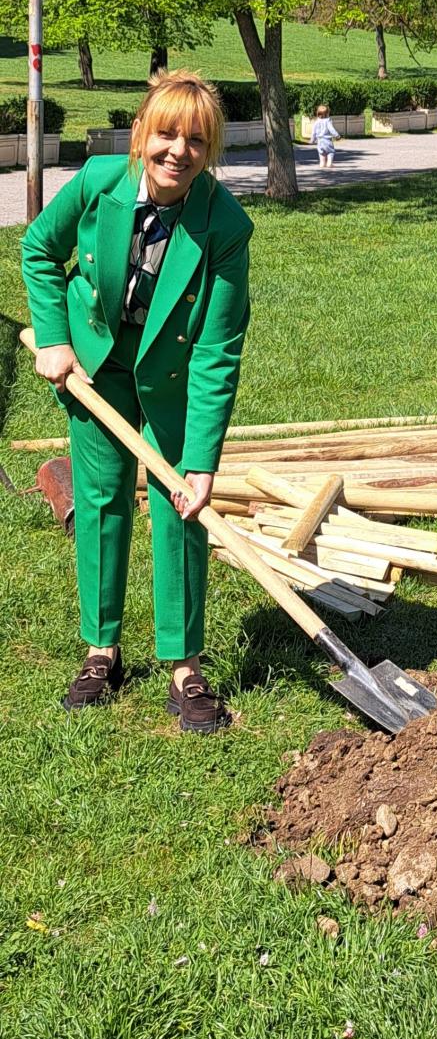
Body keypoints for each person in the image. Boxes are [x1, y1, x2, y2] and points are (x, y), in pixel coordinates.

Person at [21, 69, 253, 734]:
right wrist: (57, 341)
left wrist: (203, 462)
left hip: (173, 372)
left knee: (182, 505)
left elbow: (216, 352)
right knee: (99, 498)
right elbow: (39, 248)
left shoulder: (225, 228)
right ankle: (102, 650)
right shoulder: (98, 183)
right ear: (141, 135)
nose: (178, 151)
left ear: (210, 153)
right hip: (95, 362)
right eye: (166, 134)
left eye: (197, 141)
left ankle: (184, 666)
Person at [309, 104, 339, 169]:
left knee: (321, 153)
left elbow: (313, 131)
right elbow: (331, 129)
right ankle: (329, 163)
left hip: (319, 141)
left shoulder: (316, 122)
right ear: (327, 113)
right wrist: (337, 135)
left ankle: (322, 164)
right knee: (330, 152)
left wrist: (312, 140)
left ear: (318, 113)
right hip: (327, 140)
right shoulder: (328, 121)